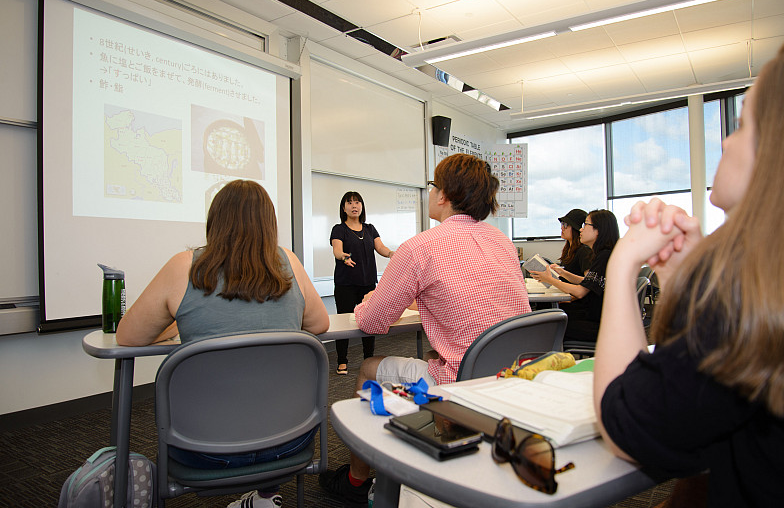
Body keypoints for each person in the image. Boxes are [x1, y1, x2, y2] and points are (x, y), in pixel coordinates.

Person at [594, 32, 784, 506]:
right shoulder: (775, 290)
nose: (726, 139)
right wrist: (683, 279)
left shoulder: (754, 307)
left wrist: (625, 262)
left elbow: (628, 424)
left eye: (743, 123)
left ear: (780, 153)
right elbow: (690, 409)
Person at [319, 153, 531, 506]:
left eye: (433, 186)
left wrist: (366, 301)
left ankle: (359, 482)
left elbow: (372, 322)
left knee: (370, 368)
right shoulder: (503, 243)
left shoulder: (420, 247)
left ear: (444, 196)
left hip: (460, 385)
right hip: (512, 380)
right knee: (427, 356)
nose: (430, 192)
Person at [116, 179, 329, 508]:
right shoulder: (290, 264)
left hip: (202, 451)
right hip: (290, 440)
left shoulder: (183, 266)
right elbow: (320, 324)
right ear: (269, 223)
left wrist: (176, 322)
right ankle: (265, 495)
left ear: (215, 222)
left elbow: (127, 336)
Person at [330, 191, 394, 375]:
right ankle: (342, 361)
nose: (354, 206)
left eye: (357, 202)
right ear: (344, 208)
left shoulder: (370, 228)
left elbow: (380, 247)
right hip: (346, 284)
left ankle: (369, 359)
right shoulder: (339, 229)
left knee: (369, 320)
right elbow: (337, 250)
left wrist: (391, 253)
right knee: (344, 322)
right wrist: (342, 256)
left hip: (368, 283)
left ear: (362, 206)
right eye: (349, 203)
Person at [531, 209, 619, 342]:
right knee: (547, 314)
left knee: (545, 322)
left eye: (585, 225)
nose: (581, 230)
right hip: (595, 317)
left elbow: (580, 292)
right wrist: (563, 273)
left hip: (598, 324)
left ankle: (556, 361)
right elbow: (588, 282)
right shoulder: (602, 255)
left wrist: (550, 280)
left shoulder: (603, 256)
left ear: (599, 230)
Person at [556, 208, 593, 279]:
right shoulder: (568, 249)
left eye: (566, 225)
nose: (562, 228)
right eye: (562, 224)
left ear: (576, 229)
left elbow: (588, 282)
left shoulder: (584, 251)